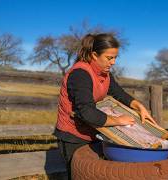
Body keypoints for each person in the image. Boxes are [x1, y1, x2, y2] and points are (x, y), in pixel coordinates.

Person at [54, 33, 156, 179]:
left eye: (115, 57)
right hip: (73, 136)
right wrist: (117, 121)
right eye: (109, 58)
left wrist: (139, 106)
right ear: (94, 55)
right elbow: (87, 112)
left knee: (94, 174)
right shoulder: (80, 75)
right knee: (78, 175)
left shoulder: (105, 74)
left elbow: (118, 93)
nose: (113, 62)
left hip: (93, 130)